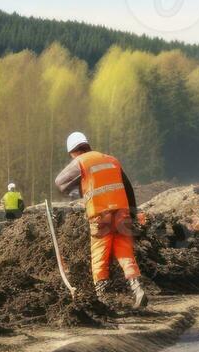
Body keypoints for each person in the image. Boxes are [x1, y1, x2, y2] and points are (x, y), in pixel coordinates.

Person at [53, 131, 147, 309]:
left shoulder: (80, 162)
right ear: (87, 145)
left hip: (100, 215)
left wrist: (77, 193)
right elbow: (128, 188)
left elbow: (60, 182)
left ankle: (104, 299)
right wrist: (132, 214)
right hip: (122, 212)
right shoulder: (112, 160)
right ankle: (137, 288)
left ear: (73, 152)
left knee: (100, 256)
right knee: (125, 253)